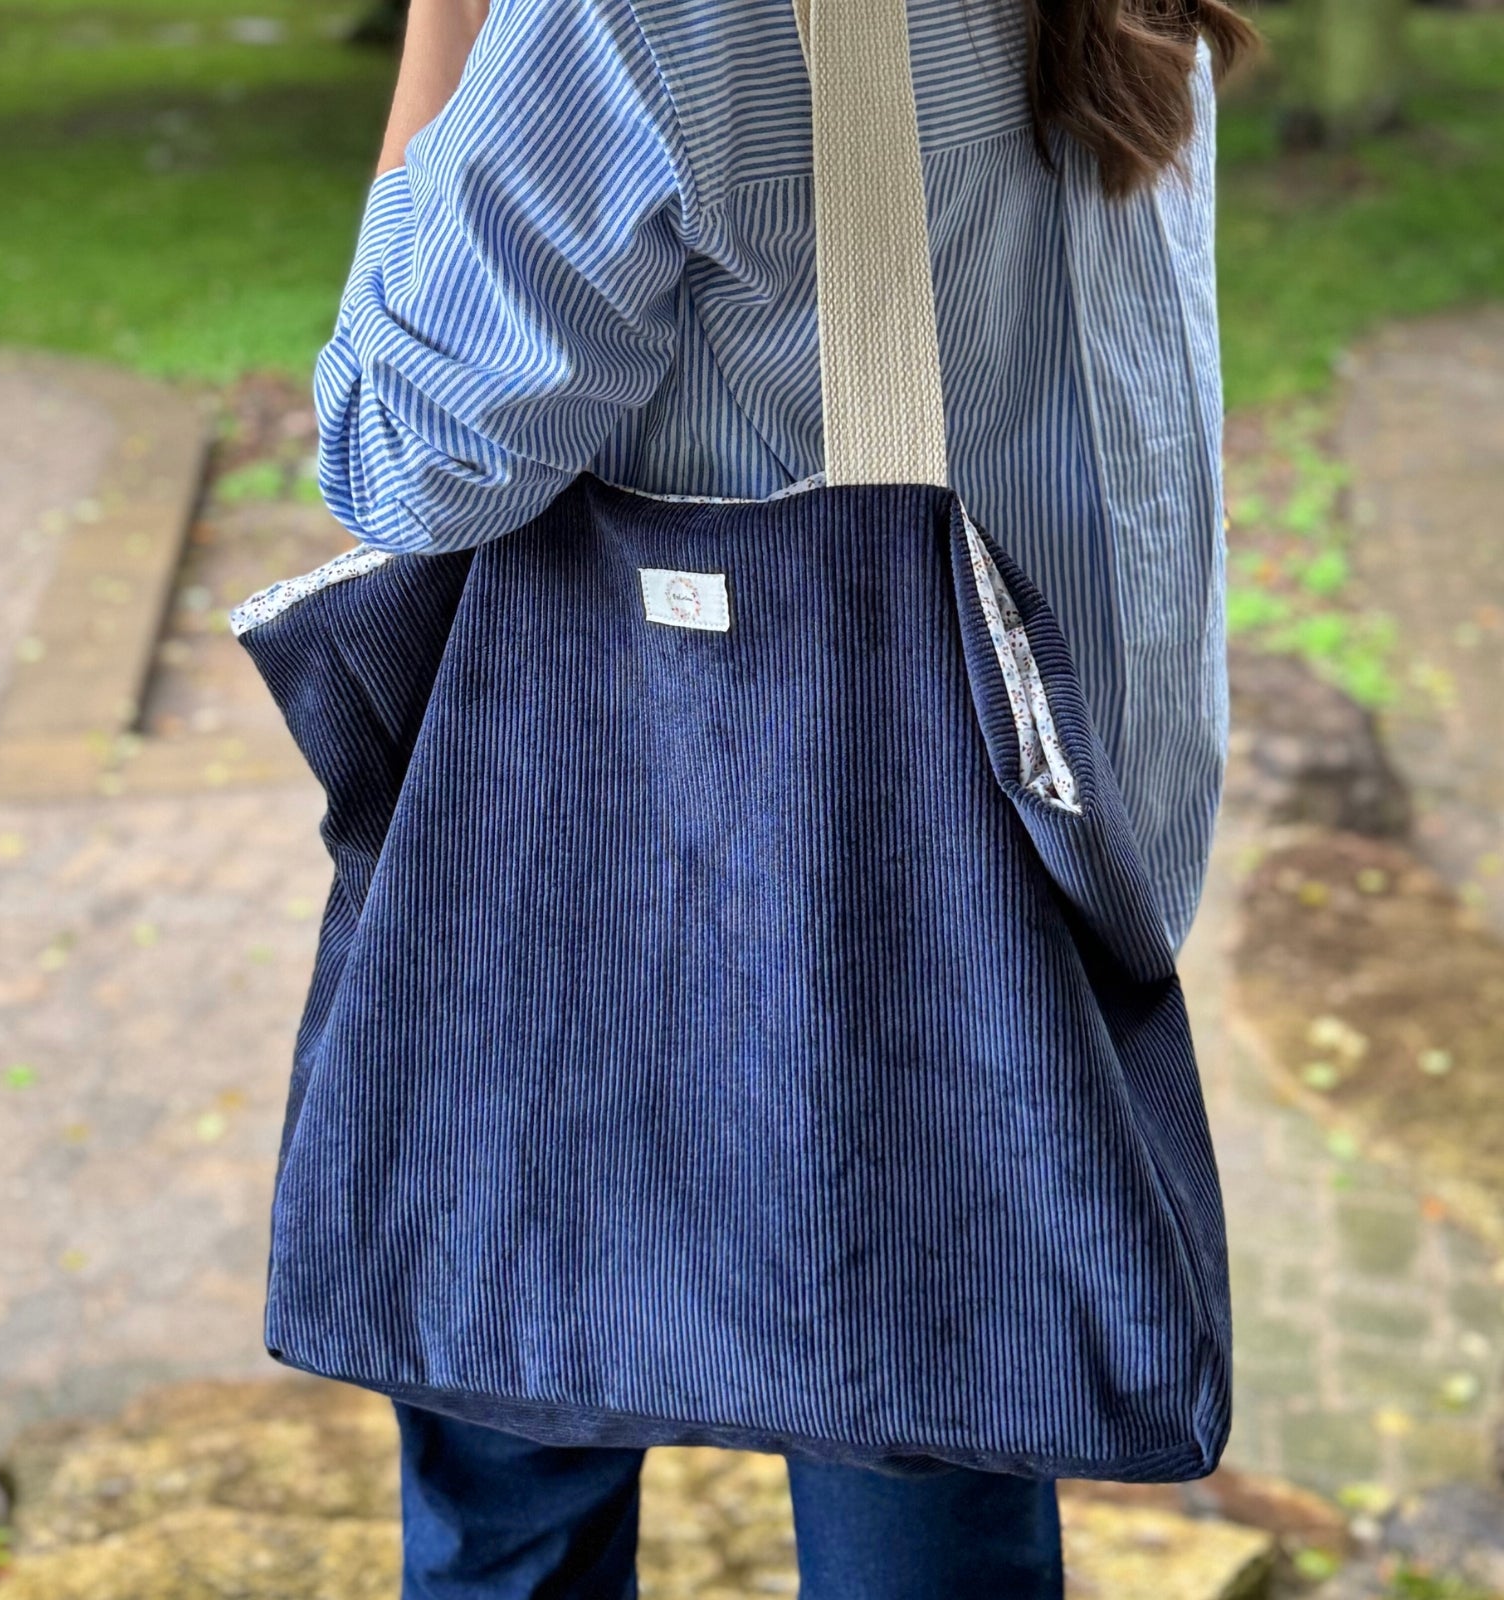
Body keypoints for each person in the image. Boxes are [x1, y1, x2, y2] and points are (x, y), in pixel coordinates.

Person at [307, 0, 1256, 1593]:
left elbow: (397, 458)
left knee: (512, 1405)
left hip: (604, 875)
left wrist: (449, 24)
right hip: (988, 860)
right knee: (926, 1424)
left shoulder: (641, 18)